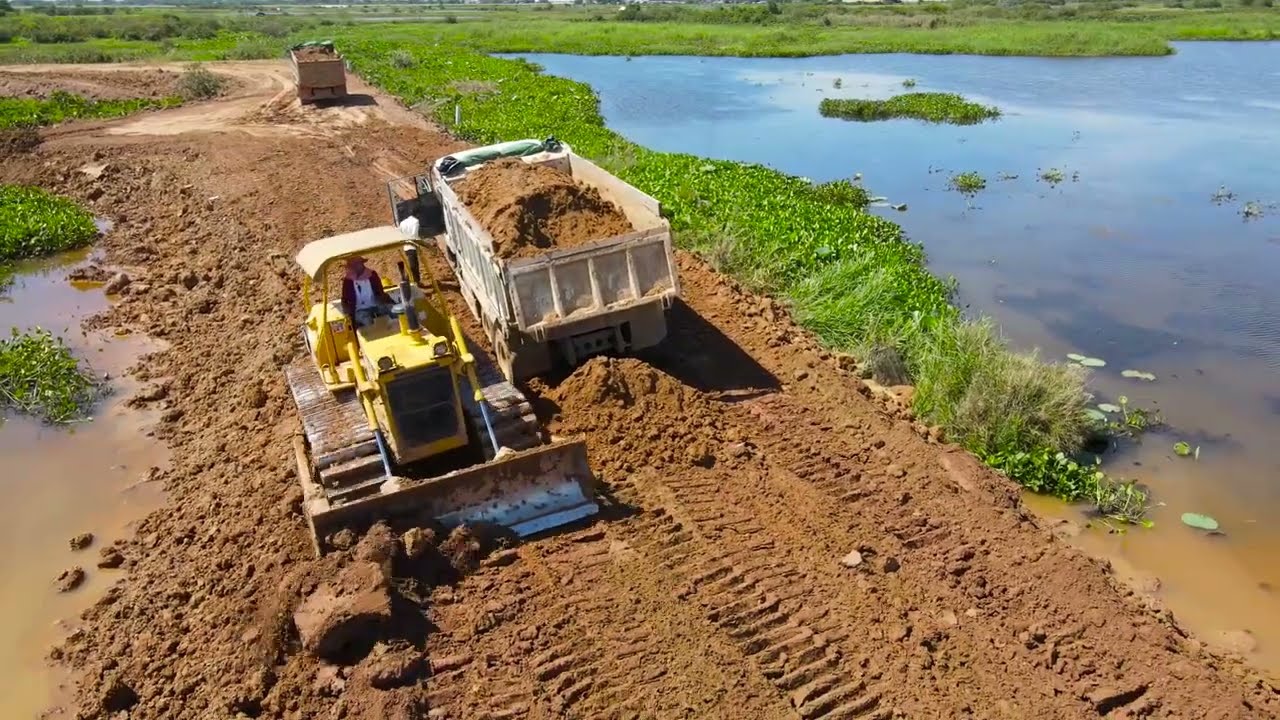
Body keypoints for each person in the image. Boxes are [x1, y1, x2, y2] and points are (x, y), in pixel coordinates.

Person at [340, 255, 392, 326]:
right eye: (353, 264)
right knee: (367, 320)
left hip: (376, 305)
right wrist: (348, 312)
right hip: (359, 310)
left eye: (357, 263)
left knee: (393, 310)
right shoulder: (348, 281)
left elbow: (380, 291)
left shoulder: (372, 274)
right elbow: (345, 299)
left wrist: (383, 301)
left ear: (362, 264)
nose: (356, 266)